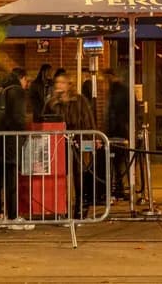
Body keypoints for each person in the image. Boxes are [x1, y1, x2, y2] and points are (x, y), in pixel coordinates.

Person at [41, 73, 98, 220]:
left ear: (68, 85)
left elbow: (88, 120)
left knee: (79, 174)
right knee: (61, 176)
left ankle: (80, 207)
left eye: (62, 83)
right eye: (57, 83)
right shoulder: (51, 103)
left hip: (77, 142)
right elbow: (44, 121)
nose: (58, 85)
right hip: (58, 144)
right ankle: (62, 209)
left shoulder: (79, 101)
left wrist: (91, 140)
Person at [0, 67, 35, 230]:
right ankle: (14, 216)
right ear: (21, 78)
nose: (26, 84)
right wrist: (22, 136)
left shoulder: (2, 90)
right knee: (11, 179)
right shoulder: (17, 92)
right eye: (26, 80)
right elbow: (18, 118)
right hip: (11, 141)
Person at [103, 67, 130, 200]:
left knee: (118, 162)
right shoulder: (116, 90)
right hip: (117, 131)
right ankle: (118, 188)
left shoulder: (118, 91)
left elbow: (115, 113)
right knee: (117, 163)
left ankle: (119, 188)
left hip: (118, 131)